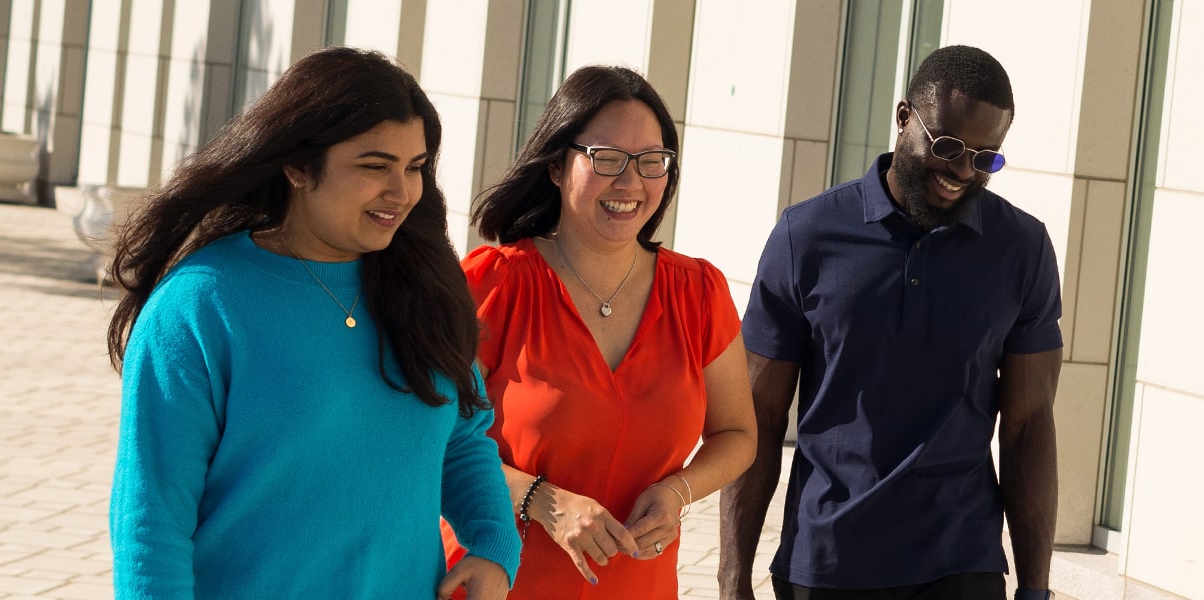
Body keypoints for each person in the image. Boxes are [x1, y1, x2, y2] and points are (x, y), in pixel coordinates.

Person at [105, 46, 519, 599]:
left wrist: (494, 543)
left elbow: (463, 436)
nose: (401, 192)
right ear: (298, 165)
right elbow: (151, 519)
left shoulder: (426, 290)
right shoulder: (201, 305)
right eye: (374, 167)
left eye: (414, 167)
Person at [719, 45, 1063, 600]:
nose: (961, 171)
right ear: (905, 118)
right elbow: (755, 413)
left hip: (961, 563)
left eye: (985, 158)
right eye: (948, 146)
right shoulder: (806, 236)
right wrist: (733, 582)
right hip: (826, 564)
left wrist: (1035, 589)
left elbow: (1028, 426)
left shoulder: (1022, 249)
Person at [454, 65, 758, 599]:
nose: (631, 182)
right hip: (496, 583)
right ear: (555, 166)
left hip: (640, 586)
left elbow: (738, 435)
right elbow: (431, 442)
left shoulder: (700, 293)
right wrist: (543, 501)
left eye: (651, 161)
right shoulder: (493, 285)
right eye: (607, 159)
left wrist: (678, 491)